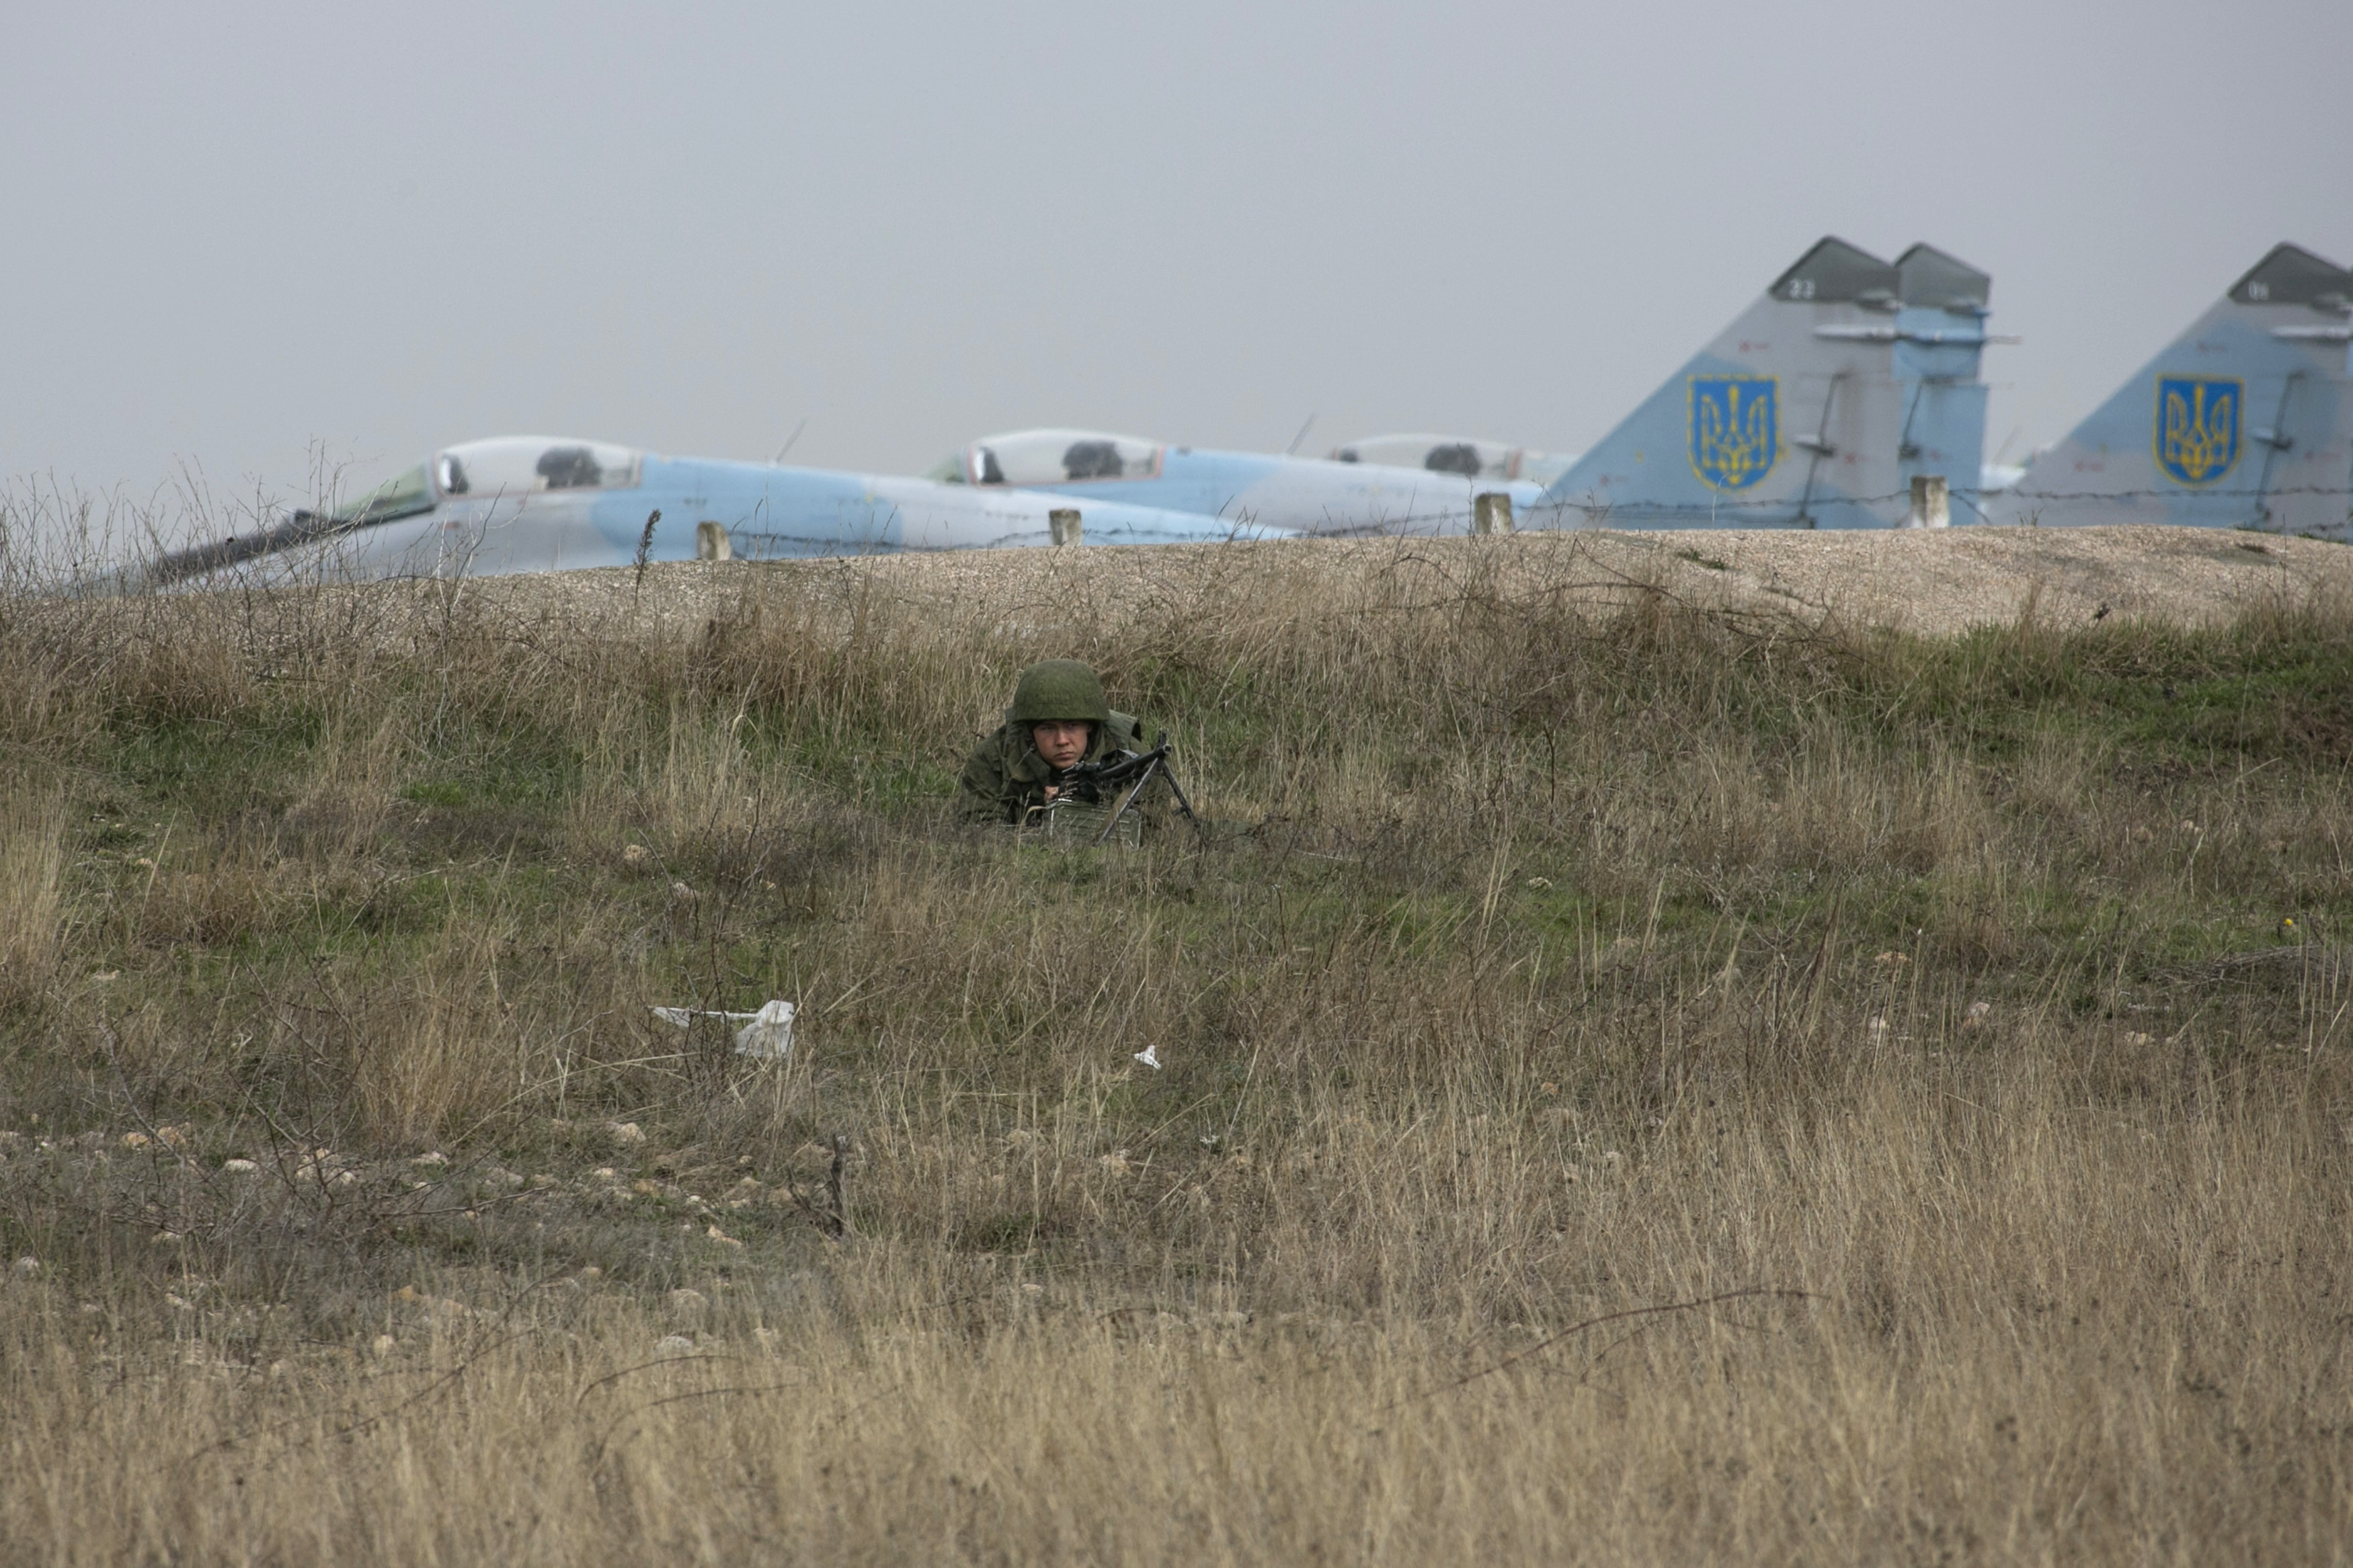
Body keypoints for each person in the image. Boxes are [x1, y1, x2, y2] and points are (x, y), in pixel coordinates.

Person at [957, 659, 1164, 831]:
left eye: (1072, 726)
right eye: (1048, 728)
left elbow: (1160, 828)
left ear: (1090, 726)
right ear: (1030, 731)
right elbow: (980, 834)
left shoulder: (1132, 756)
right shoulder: (994, 759)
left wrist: (1094, 805)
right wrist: (1042, 818)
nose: (1062, 740)